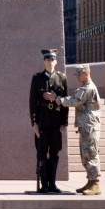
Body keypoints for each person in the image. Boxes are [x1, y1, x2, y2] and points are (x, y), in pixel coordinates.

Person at [46, 64, 102, 195]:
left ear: (86, 73)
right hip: (86, 126)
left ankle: (95, 184)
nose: (77, 77)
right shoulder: (85, 87)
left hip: (90, 126)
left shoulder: (88, 88)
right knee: (86, 154)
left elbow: (74, 101)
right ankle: (90, 181)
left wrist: (57, 99)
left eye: (79, 74)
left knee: (90, 153)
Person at [28, 49, 68, 194]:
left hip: (56, 122)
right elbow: (33, 103)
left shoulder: (62, 78)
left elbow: (65, 102)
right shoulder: (37, 78)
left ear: (56, 61)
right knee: (42, 152)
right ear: (44, 61)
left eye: (53, 60)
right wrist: (35, 123)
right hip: (43, 121)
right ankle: (44, 184)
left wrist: (64, 122)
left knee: (55, 152)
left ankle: (52, 184)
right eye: (48, 60)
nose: (50, 63)